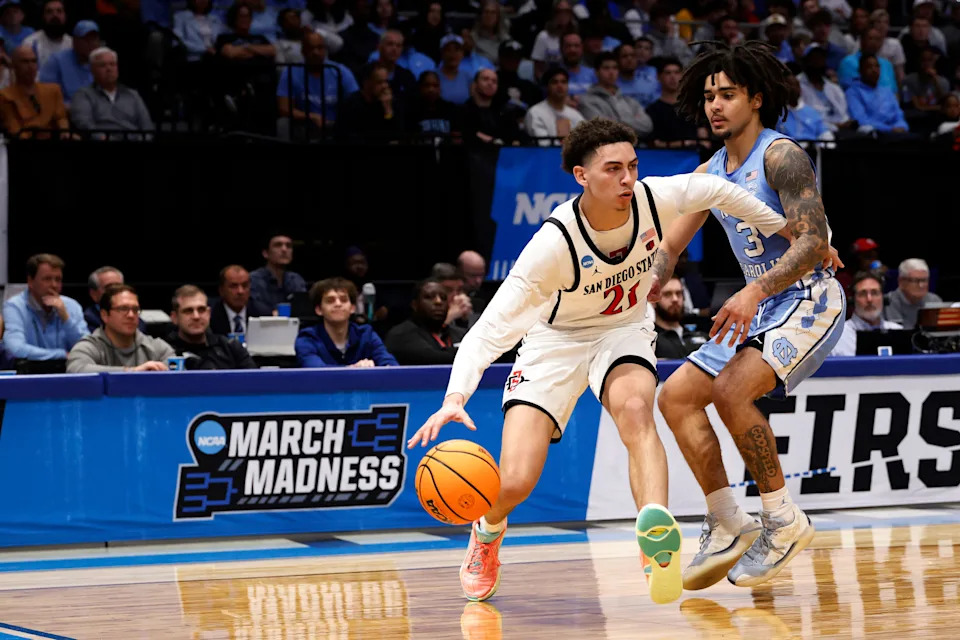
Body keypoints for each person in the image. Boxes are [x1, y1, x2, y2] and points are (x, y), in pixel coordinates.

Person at [405, 118, 791, 605]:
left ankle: (655, 541)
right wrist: (454, 396)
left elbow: (716, 189)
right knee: (517, 480)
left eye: (633, 166)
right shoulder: (552, 245)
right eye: (614, 169)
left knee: (635, 410)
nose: (628, 178)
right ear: (582, 176)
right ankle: (487, 531)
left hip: (623, 329)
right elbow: (487, 331)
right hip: (554, 343)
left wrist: (789, 233)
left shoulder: (653, 198)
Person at [658, 40, 845, 591]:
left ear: (756, 99)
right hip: (762, 304)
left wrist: (751, 292)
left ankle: (783, 521)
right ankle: (727, 521)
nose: (716, 105)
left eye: (729, 95)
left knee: (731, 391)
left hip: (809, 299)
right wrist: (637, 287)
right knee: (677, 397)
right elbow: (670, 248)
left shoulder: (780, 155)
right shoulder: (710, 170)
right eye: (710, 95)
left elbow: (814, 244)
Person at [66, 284, 175, 373]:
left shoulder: (157, 347)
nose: (131, 315)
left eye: (135, 309)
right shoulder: (89, 346)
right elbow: (76, 369)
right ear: (104, 315)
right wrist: (132, 372)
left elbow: (177, 372)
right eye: (123, 309)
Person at [3, 253, 88, 362]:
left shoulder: (71, 306)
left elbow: (87, 347)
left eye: (58, 279)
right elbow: (15, 348)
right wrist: (61, 354)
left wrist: (66, 319)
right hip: (30, 373)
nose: (54, 285)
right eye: (47, 279)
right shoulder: (14, 306)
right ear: (30, 281)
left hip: (67, 372)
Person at [295, 277, 397, 367]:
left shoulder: (366, 334)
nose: (338, 304)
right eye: (330, 300)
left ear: (352, 308)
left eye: (343, 300)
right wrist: (352, 370)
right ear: (319, 310)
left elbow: (390, 363)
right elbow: (315, 369)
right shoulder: (307, 338)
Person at [166, 285, 257, 369]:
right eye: (188, 311)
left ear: (208, 313)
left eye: (201, 310)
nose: (196, 316)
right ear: (175, 317)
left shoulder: (231, 347)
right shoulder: (164, 351)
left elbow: (256, 381)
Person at [70, 47, 155, 133]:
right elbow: (84, 124)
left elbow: (147, 127)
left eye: (112, 64)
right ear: (92, 70)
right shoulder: (83, 95)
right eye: (102, 65)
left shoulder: (132, 95)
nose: (109, 69)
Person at [385, 278, 466, 365]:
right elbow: (433, 358)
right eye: (429, 297)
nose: (438, 302)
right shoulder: (400, 334)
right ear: (415, 305)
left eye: (443, 298)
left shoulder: (461, 334)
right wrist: (469, 354)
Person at [0, 43, 68, 138]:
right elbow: (14, 127)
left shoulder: (53, 90)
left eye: (33, 61)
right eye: (25, 62)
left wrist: (64, 131)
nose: (30, 66)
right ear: (14, 66)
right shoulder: (5, 96)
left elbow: (60, 117)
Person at [830, 272, 902, 357]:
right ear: (852, 300)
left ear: (884, 298)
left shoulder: (898, 332)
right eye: (863, 294)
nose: (869, 299)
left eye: (874, 293)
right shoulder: (836, 337)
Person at [523, 66, 585, 145]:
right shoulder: (535, 113)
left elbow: (586, 142)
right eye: (554, 82)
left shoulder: (575, 115)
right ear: (546, 87)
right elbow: (543, 145)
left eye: (564, 82)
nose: (560, 86)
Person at [250, 233, 307, 311]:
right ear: (265, 253)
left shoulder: (296, 279)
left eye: (288, 246)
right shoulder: (253, 279)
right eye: (278, 245)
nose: (284, 249)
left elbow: (303, 309)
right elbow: (256, 309)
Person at [210, 265, 272, 336]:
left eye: (245, 285)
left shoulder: (263, 314)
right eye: (233, 286)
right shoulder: (211, 316)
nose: (240, 291)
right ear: (221, 290)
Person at [884, 258, 942, 329]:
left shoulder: (934, 300)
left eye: (924, 280)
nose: (921, 285)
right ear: (901, 281)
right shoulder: (889, 301)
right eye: (916, 280)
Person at [652, 275, 695, 359]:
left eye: (678, 294)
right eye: (667, 294)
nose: (675, 299)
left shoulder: (701, 337)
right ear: (653, 301)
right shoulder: (649, 340)